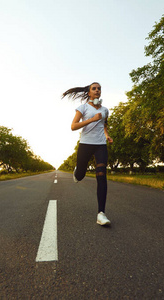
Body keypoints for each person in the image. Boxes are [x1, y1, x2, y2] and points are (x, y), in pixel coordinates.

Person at [62, 82, 113, 226]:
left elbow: (103, 125)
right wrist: (91, 119)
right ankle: (77, 171)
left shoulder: (105, 110)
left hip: (100, 145)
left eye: (99, 89)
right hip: (85, 144)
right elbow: (73, 126)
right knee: (80, 175)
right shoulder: (83, 107)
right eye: (94, 89)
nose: (97, 91)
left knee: (102, 175)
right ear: (89, 93)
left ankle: (101, 214)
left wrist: (107, 135)